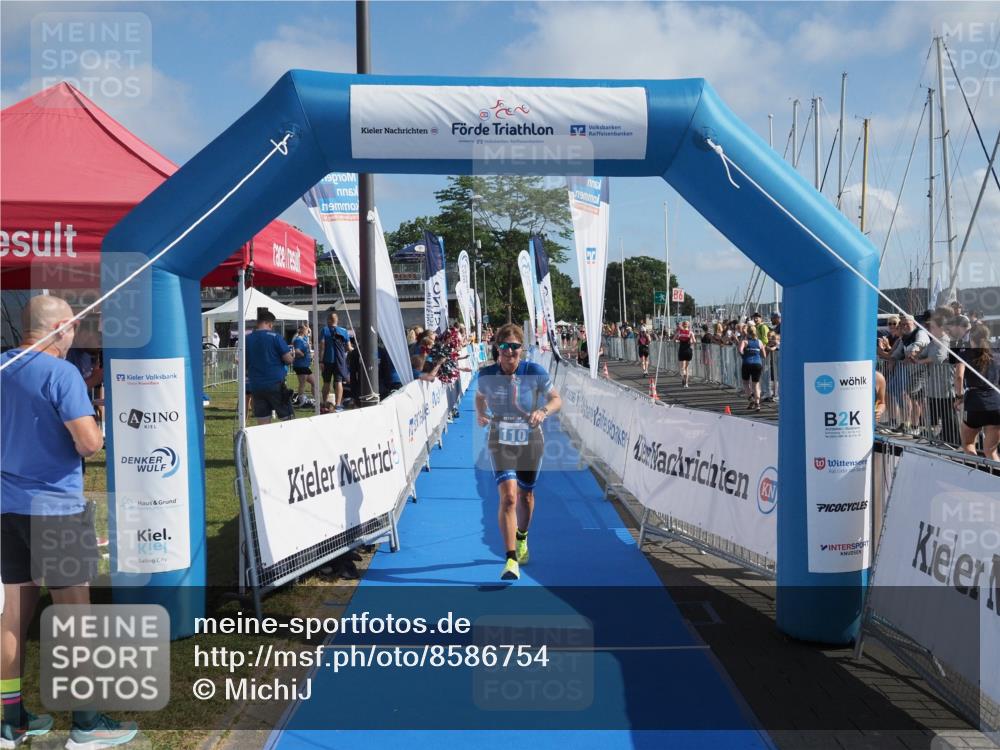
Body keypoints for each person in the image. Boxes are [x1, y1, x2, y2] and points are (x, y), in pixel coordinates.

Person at [1, 295, 138, 749]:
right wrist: (92, 424)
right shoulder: (61, 374)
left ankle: (11, 721)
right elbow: (89, 443)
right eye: (75, 327)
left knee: (12, 618)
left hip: (8, 509)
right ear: (60, 327)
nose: (76, 335)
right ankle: (86, 722)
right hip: (56, 511)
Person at [475, 324, 562, 581]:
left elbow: (556, 399)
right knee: (509, 498)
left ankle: (522, 536)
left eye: (515, 347)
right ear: (497, 348)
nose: (510, 352)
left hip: (530, 440)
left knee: (525, 496)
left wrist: (542, 411)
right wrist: (480, 413)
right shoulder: (487, 374)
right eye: (505, 346)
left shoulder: (534, 371)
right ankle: (511, 558)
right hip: (500, 440)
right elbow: (479, 396)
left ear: (521, 349)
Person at [953, 323, 1000, 460]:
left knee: (968, 444)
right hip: (996, 403)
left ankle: (975, 469)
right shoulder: (997, 353)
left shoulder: (965, 353)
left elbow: (959, 376)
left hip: (975, 404)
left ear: (971, 338)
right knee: (991, 451)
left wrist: (959, 397)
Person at [246, 308, 295, 425]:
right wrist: (293, 357)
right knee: (287, 419)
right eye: (271, 324)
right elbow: (288, 359)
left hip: (256, 385)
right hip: (275, 384)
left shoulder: (247, 339)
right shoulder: (275, 337)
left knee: (263, 422)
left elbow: (244, 361)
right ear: (269, 323)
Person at [319, 311, 353, 412]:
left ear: (329, 320)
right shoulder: (344, 331)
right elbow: (349, 347)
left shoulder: (324, 330)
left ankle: (325, 403)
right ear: (337, 320)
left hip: (327, 360)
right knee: (338, 382)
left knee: (326, 382)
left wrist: (321, 361)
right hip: (340, 361)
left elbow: (322, 347)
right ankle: (338, 405)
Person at [739, 326, 766, 411]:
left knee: (745, 383)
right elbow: (764, 355)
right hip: (757, 364)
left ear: (747, 332)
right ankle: (757, 404)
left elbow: (740, 350)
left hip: (747, 363)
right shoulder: (760, 342)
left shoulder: (745, 341)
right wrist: (757, 353)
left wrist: (743, 355)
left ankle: (751, 399)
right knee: (756, 384)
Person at [291, 325, 316, 408]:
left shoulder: (304, 339)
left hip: (305, 366)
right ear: (301, 330)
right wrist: (303, 355)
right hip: (300, 365)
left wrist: (310, 331)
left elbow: (309, 339)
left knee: (314, 382)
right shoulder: (298, 339)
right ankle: (301, 401)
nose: (307, 332)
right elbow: (297, 350)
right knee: (302, 383)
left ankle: (316, 399)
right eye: (306, 330)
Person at [675, 320, 693, 387]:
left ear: (682, 325)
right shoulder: (690, 332)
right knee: (687, 367)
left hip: (681, 350)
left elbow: (674, 339)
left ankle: (683, 377)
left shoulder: (679, 332)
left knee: (682, 368)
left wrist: (677, 340)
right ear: (688, 325)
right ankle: (687, 383)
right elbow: (694, 341)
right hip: (688, 350)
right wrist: (690, 341)